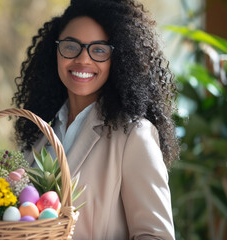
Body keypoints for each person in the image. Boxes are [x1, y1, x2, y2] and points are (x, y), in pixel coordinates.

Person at [12, 0, 180, 239]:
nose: (83, 59)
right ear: (55, 52)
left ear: (118, 58)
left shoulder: (134, 135)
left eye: (99, 49)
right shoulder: (40, 133)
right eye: (71, 47)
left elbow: (156, 236)